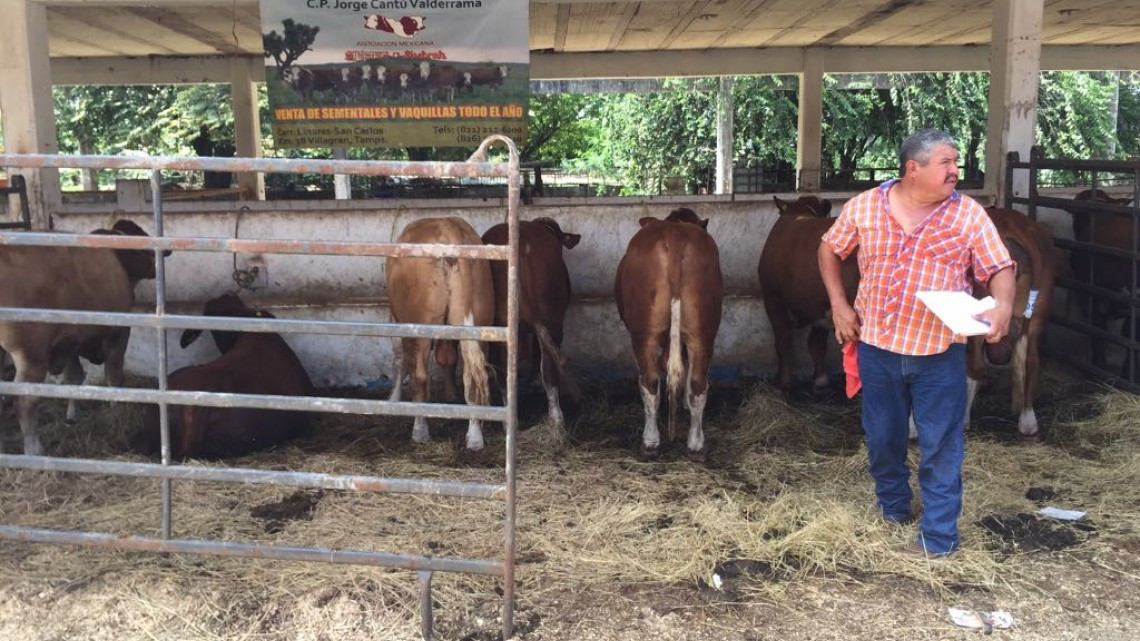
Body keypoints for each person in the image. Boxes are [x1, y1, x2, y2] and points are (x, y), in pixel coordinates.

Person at [817, 128, 1015, 558]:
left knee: (941, 445)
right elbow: (830, 249)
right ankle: (893, 510)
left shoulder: (968, 216)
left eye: (955, 162)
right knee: (883, 439)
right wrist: (839, 304)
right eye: (946, 163)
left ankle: (938, 538)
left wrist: (1002, 304)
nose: (955, 172)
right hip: (877, 348)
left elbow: (999, 266)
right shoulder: (865, 207)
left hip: (939, 353)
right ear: (913, 168)